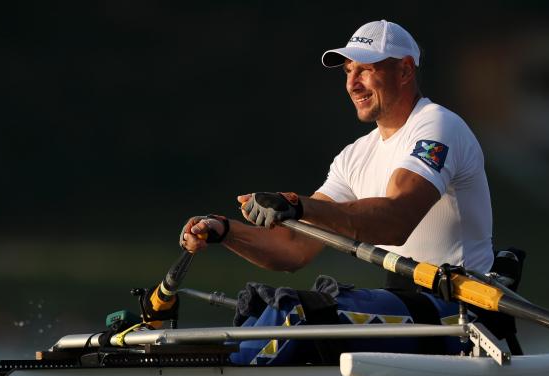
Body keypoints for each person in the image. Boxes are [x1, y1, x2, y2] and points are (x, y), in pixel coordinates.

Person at [180, 19, 494, 289]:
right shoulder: (353, 157)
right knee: (270, 311)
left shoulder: (438, 126)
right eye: (348, 71)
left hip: (461, 310)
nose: (353, 85)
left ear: (405, 70)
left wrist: (299, 206)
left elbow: (398, 219)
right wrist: (224, 230)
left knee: (302, 314)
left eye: (365, 70)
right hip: (408, 305)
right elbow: (294, 249)